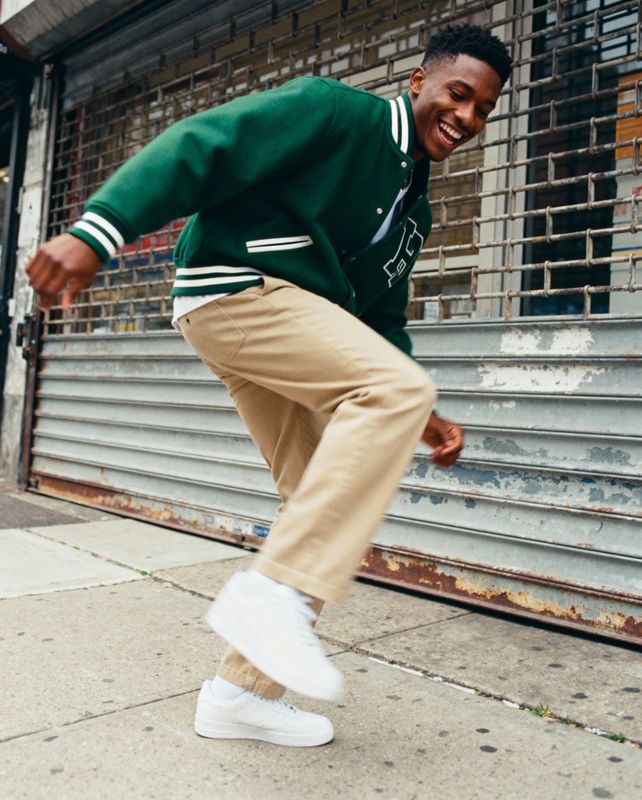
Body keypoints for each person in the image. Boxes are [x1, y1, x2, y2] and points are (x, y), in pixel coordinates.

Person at [26, 23, 512, 747]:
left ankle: (238, 695)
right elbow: (204, 144)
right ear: (418, 81)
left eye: (484, 111)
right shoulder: (335, 112)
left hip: (286, 318)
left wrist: (421, 409)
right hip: (238, 290)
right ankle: (269, 597)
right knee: (386, 406)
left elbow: (378, 316)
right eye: (458, 95)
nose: (467, 117)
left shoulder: (417, 206)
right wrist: (99, 231)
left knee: (322, 498)